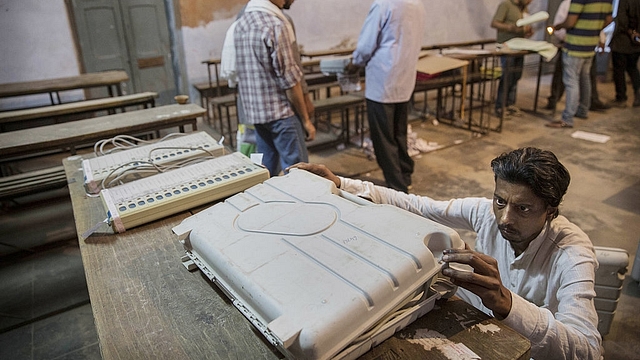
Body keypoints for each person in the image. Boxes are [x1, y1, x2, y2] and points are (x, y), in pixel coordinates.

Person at [287, 147, 602, 359]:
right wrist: (341, 183)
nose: (505, 218)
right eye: (500, 201)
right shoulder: (483, 212)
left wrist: (507, 303)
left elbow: (587, 349)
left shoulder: (573, 253)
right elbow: (418, 206)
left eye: (523, 208)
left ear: (551, 210)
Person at [347, 0, 426, 194]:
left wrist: (354, 63)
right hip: (405, 79)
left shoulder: (384, 5)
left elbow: (366, 45)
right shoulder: (417, 5)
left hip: (382, 82)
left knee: (383, 138)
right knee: (399, 134)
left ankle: (397, 187)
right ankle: (405, 175)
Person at [233, 0, 316, 176]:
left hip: (257, 114)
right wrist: (306, 120)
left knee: (266, 169)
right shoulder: (275, 25)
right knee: (299, 172)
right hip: (281, 114)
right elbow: (290, 81)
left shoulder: (241, 23)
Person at [547, 0, 613, 128]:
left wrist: (558, 26)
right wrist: (595, 29)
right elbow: (609, 20)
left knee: (571, 81)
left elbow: (570, 21)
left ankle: (567, 119)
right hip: (590, 45)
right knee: (585, 78)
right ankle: (583, 110)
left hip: (575, 45)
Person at [491, 0, 534, 119]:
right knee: (507, 77)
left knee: (516, 76)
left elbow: (526, 23)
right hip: (507, 46)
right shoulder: (506, 5)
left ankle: (510, 103)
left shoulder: (523, 8)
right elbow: (495, 23)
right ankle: (500, 106)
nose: (530, 2)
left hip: (520, 46)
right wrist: (512, 28)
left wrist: (528, 30)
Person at [609, 0, 640, 108]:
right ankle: (638, 93)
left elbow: (621, 21)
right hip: (636, 43)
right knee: (632, 68)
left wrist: (630, 32)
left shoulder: (623, 1)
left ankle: (621, 98)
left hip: (622, 42)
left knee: (619, 70)